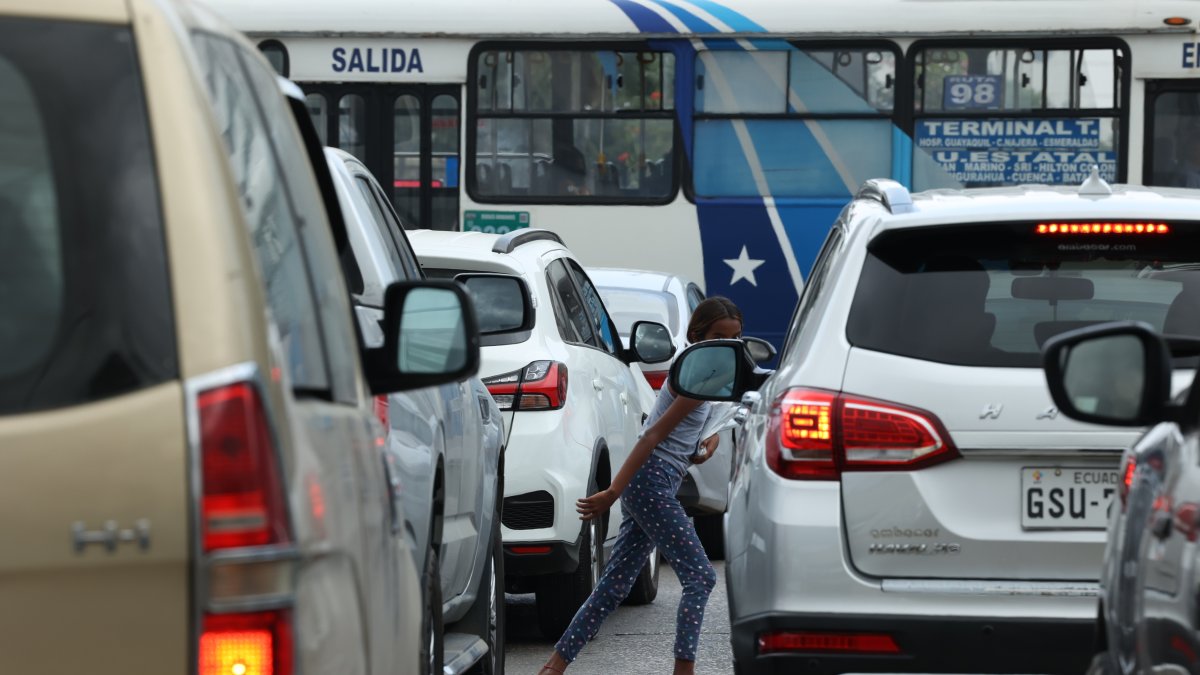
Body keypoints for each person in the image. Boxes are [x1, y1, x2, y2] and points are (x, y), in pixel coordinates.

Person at [538, 297, 744, 675]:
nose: (727, 344)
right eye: (718, 336)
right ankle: (684, 669)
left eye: (734, 338)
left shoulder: (707, 370)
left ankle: (555, 665)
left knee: (613, 587)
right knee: (700, 577)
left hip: (656, 479)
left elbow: (692, 427)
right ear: (698, 335)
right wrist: (613, 492)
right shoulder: (696, 375)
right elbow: (650, 435)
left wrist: (703, 444)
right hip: (650, 481)